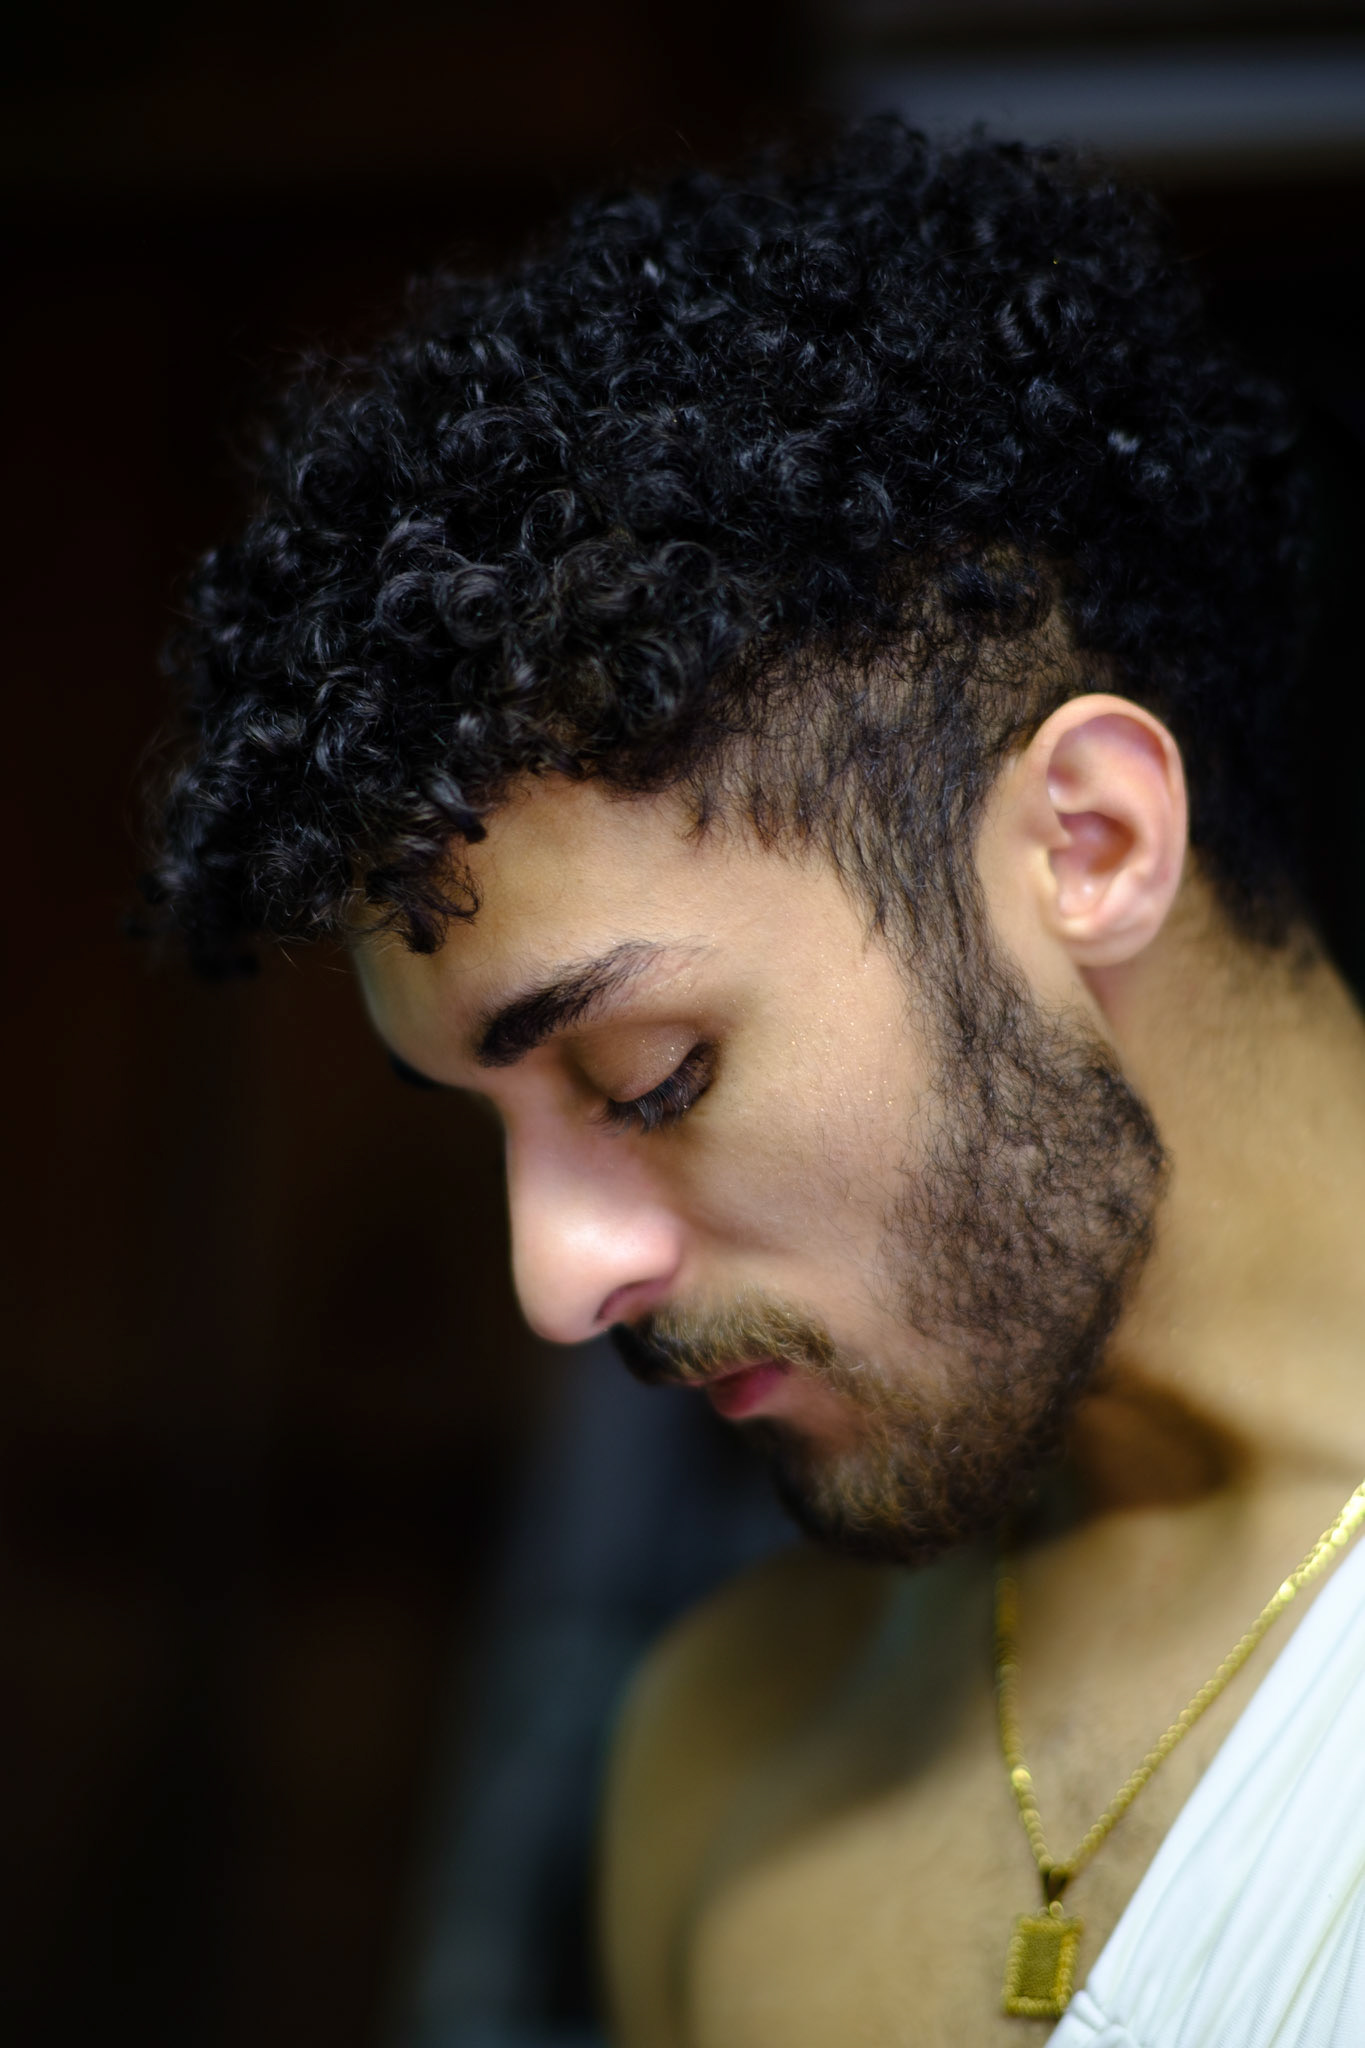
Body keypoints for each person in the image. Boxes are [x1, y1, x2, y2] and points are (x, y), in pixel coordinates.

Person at [146, 120, 1365, 2044]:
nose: (558, 1284)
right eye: (491, 1128)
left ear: (1090, 843)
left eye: (646, 1079)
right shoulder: (728, 1760)